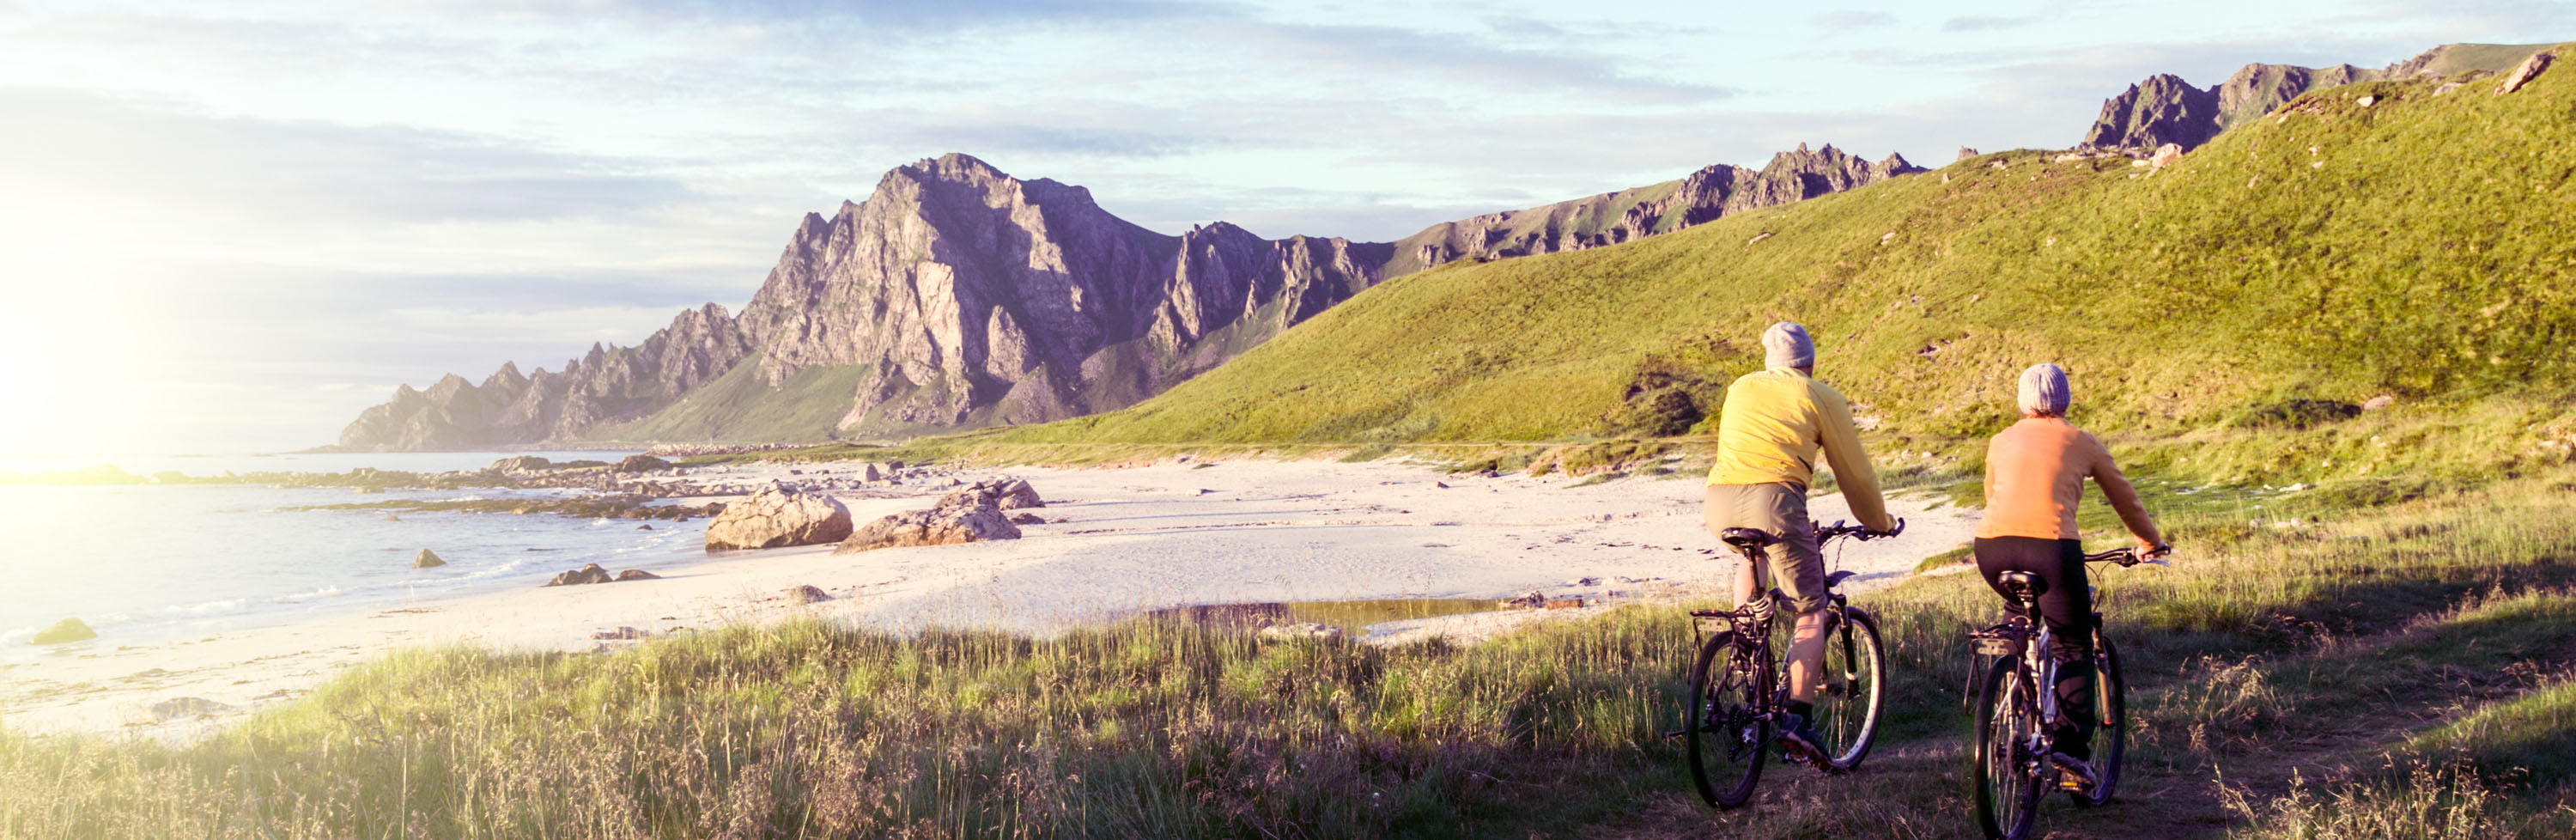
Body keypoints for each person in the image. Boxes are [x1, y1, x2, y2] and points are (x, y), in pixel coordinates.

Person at [1704, 320, 1899, 760]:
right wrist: (1879, 521)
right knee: (1810, 608)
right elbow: (1855, 474)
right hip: (1776, 501)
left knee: (1752, 559)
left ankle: (1745, 655)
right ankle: (1797, 721)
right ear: (1810, 363)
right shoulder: (1820, 395)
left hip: (1718, 501)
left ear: (1770, 362)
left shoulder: (1741, 387)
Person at [1974, 362, 2166, 790]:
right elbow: (2125, 498)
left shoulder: (2001, 440)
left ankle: (2015, 689)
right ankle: (2070, 753)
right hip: (2053, 549)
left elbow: (1992, 495)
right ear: (2066, 399)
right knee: (2072, 644)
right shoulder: (2082, 441)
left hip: (1991, 546)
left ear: (2022, 401)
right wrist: (2149, 542)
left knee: (2019, 620)